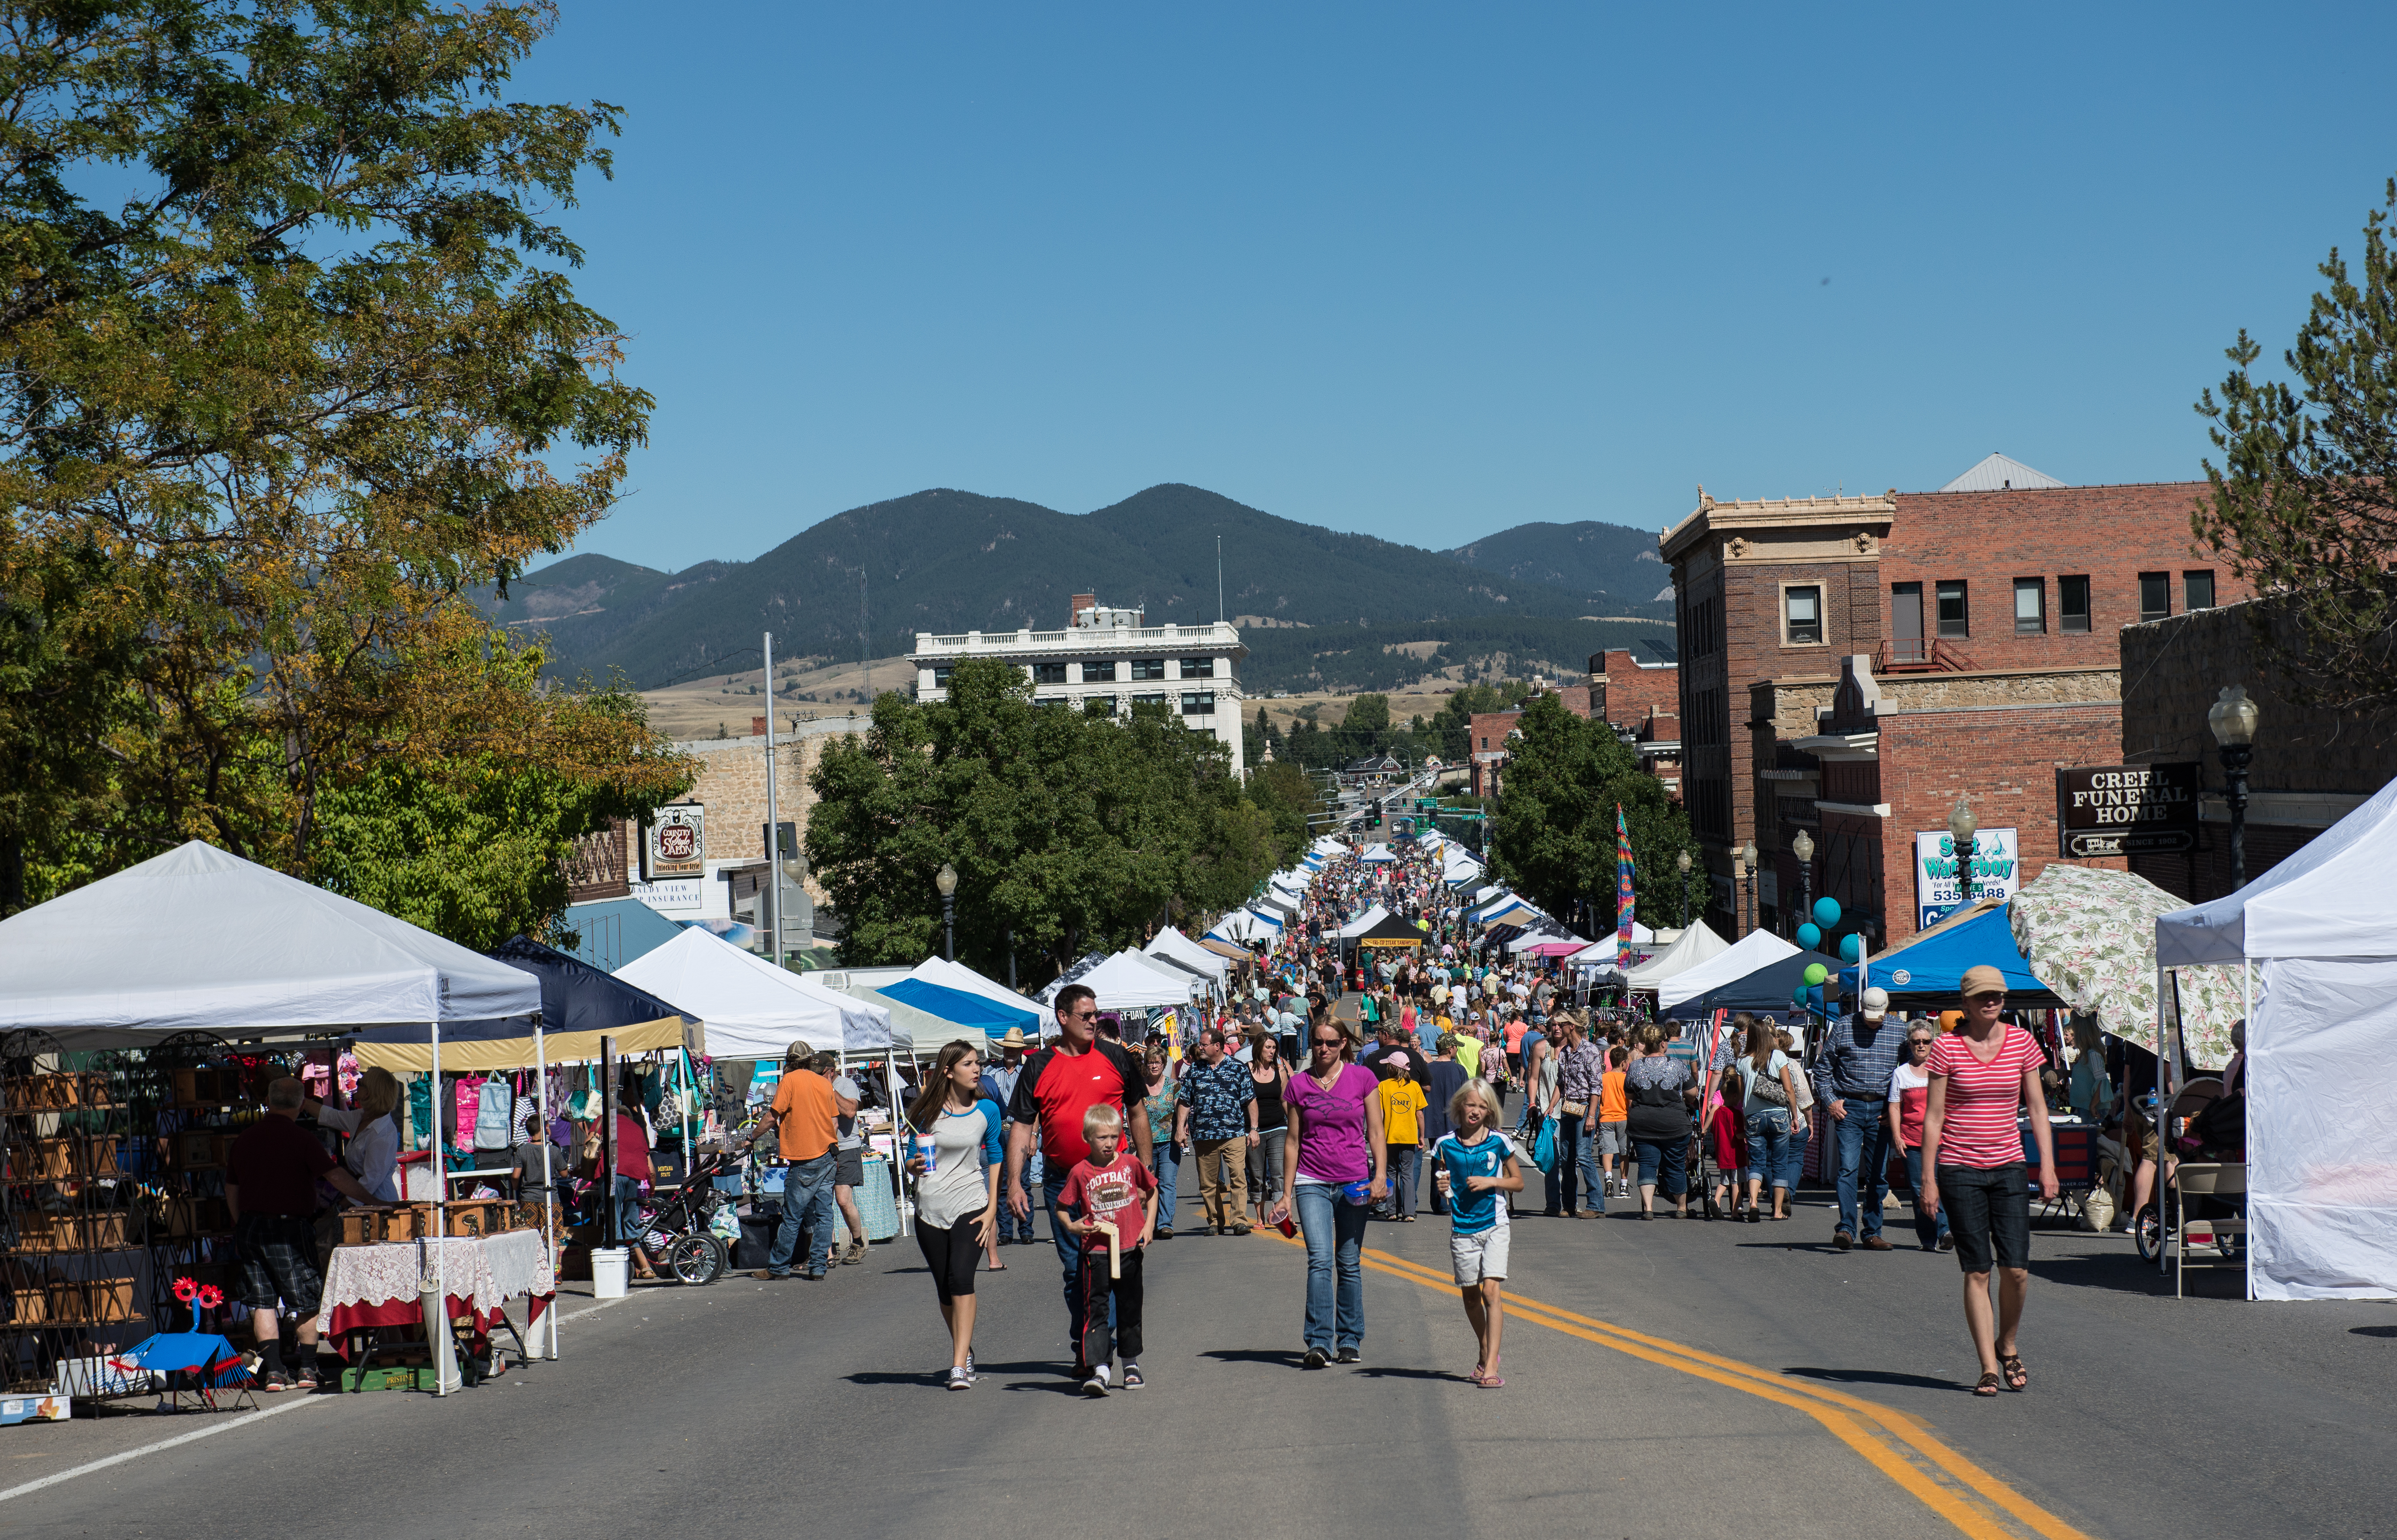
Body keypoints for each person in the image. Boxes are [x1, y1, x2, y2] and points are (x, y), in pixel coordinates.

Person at [1920, 966, 2057, 1397]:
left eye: (1996, 995)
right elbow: (1934, 1117)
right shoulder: (1945, 1048)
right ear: (1965, 1004)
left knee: (2016, 1270)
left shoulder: (2021, 1042)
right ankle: (1987, 1366)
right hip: (1958, 1168)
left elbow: (2036, 1108)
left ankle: (2007, 1343)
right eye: (1981, 996)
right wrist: (1927, 1178)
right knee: (1977, 1269)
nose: (1990, 1001)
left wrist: (2048, 1166)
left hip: (2008, 1166)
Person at [1005, 984, 1153, 1378]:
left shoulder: (1115, 1056)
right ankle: (1088, 1345)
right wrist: (1015, 1183)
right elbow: (1021, 1125)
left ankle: (1102, 1347)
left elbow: (1138, 1113)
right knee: (1077, 1271)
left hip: (1116, 1182)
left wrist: (1144, 1173)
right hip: (1064, 1184)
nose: (1094, 1021)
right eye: (1085, 1015)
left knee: (1116, 1267)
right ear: (1063, 1017)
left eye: (1095, 1014)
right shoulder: (1037, 1066)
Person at [227, 1076, 375, 1391]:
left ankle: (276, 1372)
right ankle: (308, 1367)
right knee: (307, 1297)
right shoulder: (302, 1139)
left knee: (263, 1300)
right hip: (289, 1226)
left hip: (253, 1225)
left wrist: (241, 1221)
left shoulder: (245, 1138)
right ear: (299, 1104)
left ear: (269, 1100)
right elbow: (335, 1176)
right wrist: (371, 1199)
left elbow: (232, 1186)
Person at [1271, 1018, 1386, 1367]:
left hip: (1354, 1182)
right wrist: (1285, 1194)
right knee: (1320, 1259)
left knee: (1349, 1262)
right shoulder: (1298, 1084)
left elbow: (1377, 1132)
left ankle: (1350, 1339)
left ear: (1343, 1044)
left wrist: (1380, 1175)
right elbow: (1292, 1141)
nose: (1324, 1048)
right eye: (1319, 1042)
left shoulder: (1363, 1078)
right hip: (1312, 1181)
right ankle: (1319, 1341)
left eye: (1332, 1043)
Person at [903, 1042, 1005, 1390]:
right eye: (968, 1064)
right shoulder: (926, 1111)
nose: (976, 1069)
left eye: (977, 1063)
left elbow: (995, 1155)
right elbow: (909, 1159)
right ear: (948, 1071)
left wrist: (992, 1207)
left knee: (962, 1278)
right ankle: (966, 1349)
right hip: (930, 1207)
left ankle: (958, 1365)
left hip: (972, 1203)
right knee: (945, 1287)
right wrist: (913, 1165)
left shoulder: (987, 1110)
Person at [1059, 1103, 1160, 1395]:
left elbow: (1152, 1190)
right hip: (1097, 1253)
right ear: (1087, 1137)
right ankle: (1100, 1368)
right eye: (1102, 1137)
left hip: (1130, 1248)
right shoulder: (1080, 1171)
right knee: (1097, 1310)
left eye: (1114, 1137)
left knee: (1130, 1306)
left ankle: (1131, 1364)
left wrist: (1149, 1224)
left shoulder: (1129, 1163)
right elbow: (1062, 1208)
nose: (1109, 1143)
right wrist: (1074, 1226)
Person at [1431, 1078, 1524, 1388]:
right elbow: (1442, 1179)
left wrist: (1490, 1182)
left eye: (1483, 1106)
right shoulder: (1445, 1144)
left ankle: (1492, 1366)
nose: (1476, 1110)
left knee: (1490, 1292)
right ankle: (1485, 1349)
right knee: (1471, 1296)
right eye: (1471, 1104)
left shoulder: (1499, 1142)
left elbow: (1518, 1182)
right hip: (1463, 1228)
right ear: (1460, 1105)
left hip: (1495, 1223)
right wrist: (1442, 1186)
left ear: (1490, 1111)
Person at [1810, 985, 1907, 1252]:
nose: (1872, 1022)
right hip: (1849, 1107)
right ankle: (1846, 1229)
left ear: (1886, 1011)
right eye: (1868, 1016)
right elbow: (1822, 1070)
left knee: (1879, 1175)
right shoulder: (1843, 1027)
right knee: (1848, 1170)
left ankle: (1872, 1232)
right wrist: (1831, 1102)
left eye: (1877, 1017)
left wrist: (1896, 1108)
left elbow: (1911, 1073)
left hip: (1883, 1111)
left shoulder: (1899, 1030)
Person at [755, 1048, 840, 1282]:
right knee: (825, 1214)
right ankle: (819, 1267)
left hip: (805, 1158)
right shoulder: (824, 1083)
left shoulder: (790, 1080)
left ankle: (779, 1267)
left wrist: (752, 1137)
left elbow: (772, 1116)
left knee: (793, 1216)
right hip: (828, 1154)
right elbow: (834, 1120)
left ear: (789, 1062)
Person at [1175, 1024, 1258, 1235]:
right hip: (1204, 1136)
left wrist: (1254, 1129)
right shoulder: (1195, 1069)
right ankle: (1215, 1222)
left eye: (1204, 1045)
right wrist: (1179, 1128)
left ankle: (1239, 1220)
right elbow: (1185, 1101)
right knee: (1208, 1182)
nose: (1200, 1048)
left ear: (1218, 1046)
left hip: (1234, 1134)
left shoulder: (1238, 1068)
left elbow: (1250, 1101)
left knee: (1238, 1176)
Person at [1886, 1023, 1950, 1252]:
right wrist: (1897, 1136)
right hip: (1912, 1141)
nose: (1921, 1046)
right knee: (1919, 1190)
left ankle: (1944, 1231)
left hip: (1943, 1140)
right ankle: (1927, 1238)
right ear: (1909, 1044)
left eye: (1926, 1041)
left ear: (1933, 1043)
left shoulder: (1942, 1070)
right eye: (1916, 1042)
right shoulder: (1901, 1073)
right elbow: (1895, 1107)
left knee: (1942, 1186)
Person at [1624, 1026, 1698, 1219]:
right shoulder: (1678, 1066)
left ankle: (1649, 1208)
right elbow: (1692, 1094)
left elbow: (1629, 1094)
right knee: (1675, 1165)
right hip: (1674, 1123)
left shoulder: (1635, 1066)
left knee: (1648, 1164)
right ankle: (1681, 1208)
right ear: (1663, 1043)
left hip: (1643, 1124)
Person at [1734, 1018, 1803, 1222]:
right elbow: (1789, 1089)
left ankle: (1753, 1202)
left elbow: (1740, 1094)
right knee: (1780, 1164)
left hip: (1753, 1117)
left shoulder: (1743, 1060)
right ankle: (1777, 1211)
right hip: (1779, 1115)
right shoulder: (1779, 1056)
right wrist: (1794, 1115)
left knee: (1756, 1163)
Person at [304, 1067, 402, 1202]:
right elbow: (331, 1117)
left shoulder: (383, 1133)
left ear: (367, 1093)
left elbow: (371, 1181)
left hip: (378, 1203)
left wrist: (345, 1205)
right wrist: (302, 1101)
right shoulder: (362, 1117)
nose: (356, 1084)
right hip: (363, 1199)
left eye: (360, 1082)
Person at [811, 1052, 870, 1267]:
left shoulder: (846, 1085)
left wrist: (830, 1088)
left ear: (831, 1072)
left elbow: (850, 1111)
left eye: (820, 1073)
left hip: (846, 1148)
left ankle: (857, 1243)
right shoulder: (813, 1086)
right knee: (822, 1201)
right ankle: (829, 1250)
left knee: (843, 1201)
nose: (816, 1076)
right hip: (822, 1149)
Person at [1548, 1014, 1607, 1218]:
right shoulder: (1564, 1052)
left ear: (1571, 1027)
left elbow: (1596, 1087)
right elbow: (1561, 1083)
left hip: (1585, 1108)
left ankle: (1596, 1205)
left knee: (1583, 1155)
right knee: (1567, 1158)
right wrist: (1551, 1106)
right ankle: (1570, 1205)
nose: (1556, 1028)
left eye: (1560, 1025)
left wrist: (1592, 1115)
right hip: (1568, 1108)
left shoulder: (1590, 1050)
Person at [981, 1029, 1036, 1246]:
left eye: (1015, 1048)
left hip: (1020, 1130)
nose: (1011, 1051)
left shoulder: (1028, 1072)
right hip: (997, 1131)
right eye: (1007, 1047)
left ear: (1021, 1050)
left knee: (1022, 1181)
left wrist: (1034, 1135)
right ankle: (1005, 1231)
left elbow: (1037, 1106)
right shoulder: (990, 1072)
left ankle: (1026, 1229)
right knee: (1001, 1183)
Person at [1137, 1045, 1181, 1240]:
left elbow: (1181, 1111)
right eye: (1151, 1062)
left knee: (1167, 1183)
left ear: (1164, 1064)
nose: (1154, 1066)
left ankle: (1165, 1224)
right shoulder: (1139, 1086)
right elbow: (1129, 1112)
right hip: (1145, 1143)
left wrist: (1182, 1128)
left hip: (1168, 1142)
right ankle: (1148, 1224)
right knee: (1146, 1184)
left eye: (1158, 1062)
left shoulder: (1173, 1086)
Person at [1376, 1056, 1427, 1222]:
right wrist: (1422, 1136)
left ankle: (1392, 1211)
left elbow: (1381, 1113)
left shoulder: (1383, 1086)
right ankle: (1409, 1213)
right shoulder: (1414, 1086)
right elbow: (1419, 1113)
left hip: (1390, 1135)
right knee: (1408, 1173)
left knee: (1391, 1173)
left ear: (1392, 1068)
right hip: (1409, 1135)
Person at [1247, 1034, 1290, 1229]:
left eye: (1274, 1048)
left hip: (1278, 1127)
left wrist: (1295, 1125)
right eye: (1268, 1048)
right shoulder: (1245, 1071)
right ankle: (1260, 1217)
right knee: (1257, 1175)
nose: (1272, 1052)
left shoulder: (1279, 1071)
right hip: (1254, 1131)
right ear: (1258, 1049)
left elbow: (1284, 1099)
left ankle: (1283, 1215)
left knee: (1279, 1173)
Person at [1423, 1034, 1469, 1216]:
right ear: (1450, 1049)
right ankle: (1446, 1202)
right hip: (1454, 1124)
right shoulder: (1459, 1070)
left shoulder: (1428, 1069)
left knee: (1437, 1162)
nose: (1457, 1050)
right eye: (1456, 1047)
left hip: (1433, 1123)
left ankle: (1438, 1201)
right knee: (1452, 1164)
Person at [1597, 1045, 1630, 1200]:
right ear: (1623, 1063)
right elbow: (1630, 1100)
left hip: (1606, 1118)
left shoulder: (1604, 1078)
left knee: (1607, 1150)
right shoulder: (1626, 1079)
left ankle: (1609, 1177)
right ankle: (1624, 1185)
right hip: (1623, 1117)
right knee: (1624, 1152)